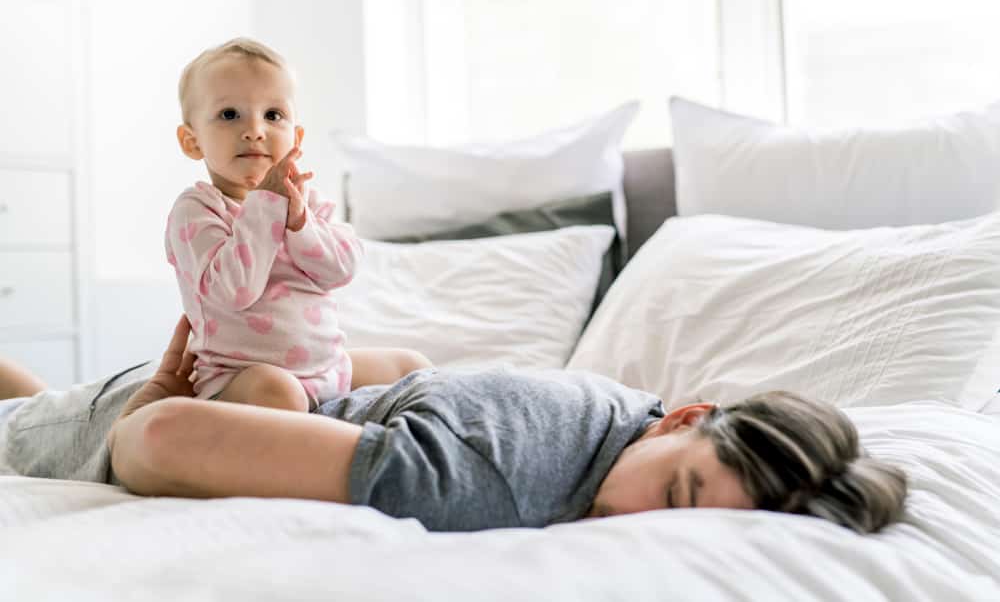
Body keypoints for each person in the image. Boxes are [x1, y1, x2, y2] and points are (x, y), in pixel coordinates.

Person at [0, 317, 907, 534]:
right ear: (687, 415)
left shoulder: (606, 405)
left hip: (176, 390)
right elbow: (155, 443)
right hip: (141, 409)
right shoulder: (501, 478)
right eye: (675, 496)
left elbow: (412, 372)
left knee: (28, 408)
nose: (657, 531)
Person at [167, 37, 429, 411]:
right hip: (241, 377)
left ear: (296, 136)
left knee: (412, 366)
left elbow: (340, 270)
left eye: (273, 115)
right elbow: (233, 292)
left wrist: (300, 222)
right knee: (279, 392)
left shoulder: (308, 202)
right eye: (230, 115)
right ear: (192, 141)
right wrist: (263, 207)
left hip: (329, 368)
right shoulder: (196, 209)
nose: (256, 130)